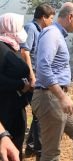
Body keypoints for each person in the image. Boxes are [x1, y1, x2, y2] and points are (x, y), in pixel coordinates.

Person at [31, 2, 73, 161]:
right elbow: (43, 67)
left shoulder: (57, 34)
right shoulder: (52, 34)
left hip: (57, 96)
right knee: (51, 153)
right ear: (70, 17)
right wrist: (62, 97)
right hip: (49, 97)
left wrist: (64, 96)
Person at [20, 3, 55, 158]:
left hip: (37, 76)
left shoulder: (40, 30)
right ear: (43, 17)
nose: (52, 22)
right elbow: (24, 52)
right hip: (30, 76)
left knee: (38, 113)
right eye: (51, 18)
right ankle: (39, 150)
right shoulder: (31, 28)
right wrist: (32, 76)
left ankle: (32, 147)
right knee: (39, 113)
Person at [0, 13, 33, 160]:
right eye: (18, 26)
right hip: (4, 110)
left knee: (16, 149)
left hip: (16, 106)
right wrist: (20, 85)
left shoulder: (12, 45)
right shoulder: (1, 48)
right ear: (9, 27)